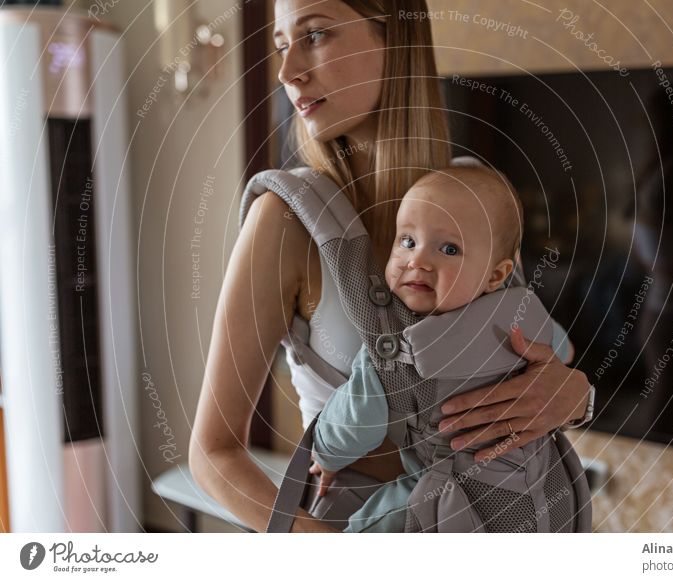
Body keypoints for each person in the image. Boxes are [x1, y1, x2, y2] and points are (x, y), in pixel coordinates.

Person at [189, 0, 592, 533]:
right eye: (283, 45)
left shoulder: (475, 200)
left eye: (315, 35)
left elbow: (521, 353)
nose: (287, 73)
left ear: (396, 39)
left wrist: (576, 395)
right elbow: (211, 453)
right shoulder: (283, 222)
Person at [309, 166, 573, 532]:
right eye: (407, 241)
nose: (417, 261)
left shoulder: (395, 350)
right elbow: (563, 351)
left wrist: (324, 455)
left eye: (448, 249)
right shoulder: (524, 312)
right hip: (546, 502)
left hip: (457, 510)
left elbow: (355, 426)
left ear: (496, 275)